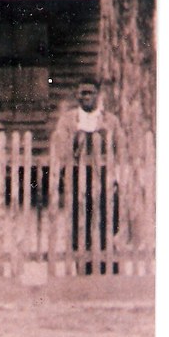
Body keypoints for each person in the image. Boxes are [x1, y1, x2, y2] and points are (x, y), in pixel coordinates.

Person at [49, 82, 125, 274]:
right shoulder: (68, 120)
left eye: (90, 93)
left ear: (97, 95)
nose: (86, 97)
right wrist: (78, 136)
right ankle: (84, 268)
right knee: (79, 222)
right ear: (77, 96)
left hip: (104, 176)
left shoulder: (110, 120)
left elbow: (121, 149)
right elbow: (62, 148)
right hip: (77, 177)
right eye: (82, 93)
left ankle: (108, 267)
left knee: (107, 221)